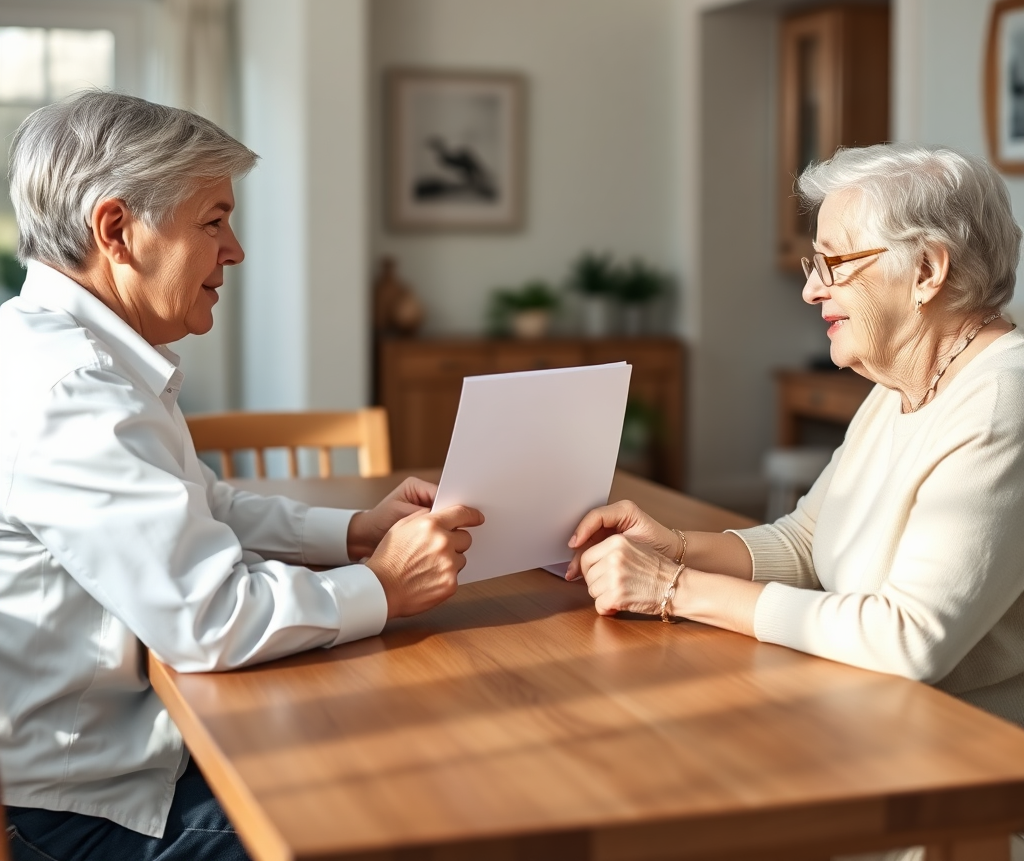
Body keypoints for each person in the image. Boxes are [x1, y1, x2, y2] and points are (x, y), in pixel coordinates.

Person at [0, 91, 483, 861]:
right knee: (420, 819)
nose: (236, 250)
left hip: (131, 757)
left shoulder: (71, 353)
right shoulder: (73, 392)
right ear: (117, 229)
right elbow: (211, 618)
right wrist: (384, 586)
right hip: (105, 807)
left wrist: (355, 532)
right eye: (213, 221)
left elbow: (202, 503)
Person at [568, 144, 1024, 860]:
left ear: (927, 271)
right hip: (856, 731)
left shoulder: (1002, 405)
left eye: (833, 265)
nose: (812, 290)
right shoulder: (901, 387)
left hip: (948, 788)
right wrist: (676, 546)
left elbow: (908, 640)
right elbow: (806, 543)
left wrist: (676, 591)